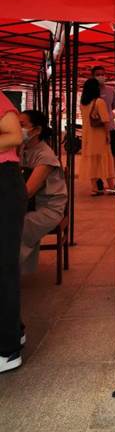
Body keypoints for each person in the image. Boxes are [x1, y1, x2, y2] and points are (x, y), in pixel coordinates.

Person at [19, 111, 68, 274]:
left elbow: (27, 192)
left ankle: (9, 272)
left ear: (37, 130)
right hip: (30, 205)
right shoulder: (22, 149)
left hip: (47, 209)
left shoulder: (45, 156)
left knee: (14, 226)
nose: (17, 129)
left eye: (22, 125)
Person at [0, 91, 26, 374]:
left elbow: (15, 135)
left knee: (3, 265)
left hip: (4, 180)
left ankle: (6, 349)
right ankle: (13, 331)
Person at [80, 78, 115, 195]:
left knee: (93, 162)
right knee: (105, 160)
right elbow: (105, 120)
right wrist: (108, 135)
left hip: (87, 136)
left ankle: (94, 188)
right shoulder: (99, 102)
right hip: (99, 135)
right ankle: (111, 187)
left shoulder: (83, 104)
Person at [91, 66, 115, 187]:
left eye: (102, 74)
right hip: (96, 130)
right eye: (98, 74)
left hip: (110, 128)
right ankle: (98, 181)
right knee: (97, 157)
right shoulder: (90, 92)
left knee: (114, 155)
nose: (101, 76)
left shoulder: (111, 90)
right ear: (93, 76)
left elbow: (113, 107)